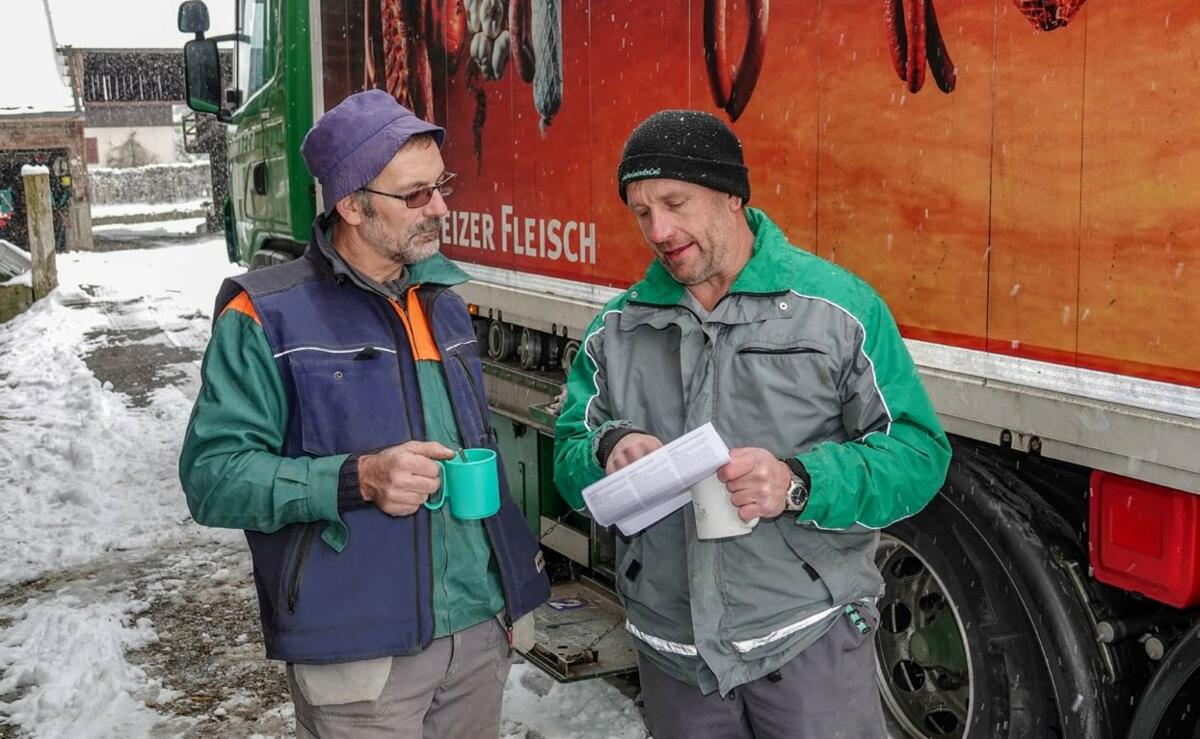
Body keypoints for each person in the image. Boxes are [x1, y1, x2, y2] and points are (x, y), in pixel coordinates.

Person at [553, 110, 952, 738]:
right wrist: (607, 451)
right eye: (641, 212)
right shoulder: (619, 327)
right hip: (675, 652)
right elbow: (569, 453)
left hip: (805, 640)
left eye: (675, 202)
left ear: (732, 194)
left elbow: (918, 453)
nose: (659, 229)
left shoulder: (835, 312)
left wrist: (798, 483)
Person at [179, 90, 549, 739]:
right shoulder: (265, 315)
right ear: (351, 204)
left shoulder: (444, 302)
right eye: (415, 195)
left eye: (441, 186)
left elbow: (477, 446)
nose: (440, 207)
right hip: (361, 657)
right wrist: (358, 478)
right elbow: (214, 478)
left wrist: (510, 591)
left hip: (477, 638)